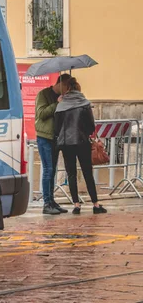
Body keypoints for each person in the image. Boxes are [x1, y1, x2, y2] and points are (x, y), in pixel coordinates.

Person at [54, 77, 107, 214]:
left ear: (68, 88)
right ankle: (95, 204)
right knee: (87, 173)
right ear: (78, 88)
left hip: (66, 143)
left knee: (71, 173)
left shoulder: (61, 105)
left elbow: (56, 128)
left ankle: (76, 205)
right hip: (82, 142)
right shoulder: (84, 103)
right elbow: (91, 126)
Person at [35, 73, 71, 215]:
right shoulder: (43, 94)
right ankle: (46, 203)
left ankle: (52, 200)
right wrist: (57, 103)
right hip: (44, 137)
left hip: (56, 137)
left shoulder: (63, 97)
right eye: (66, 86)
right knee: (48, 170)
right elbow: (42, 114)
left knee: (53, 170)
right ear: (60, 84)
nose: (67, 90)